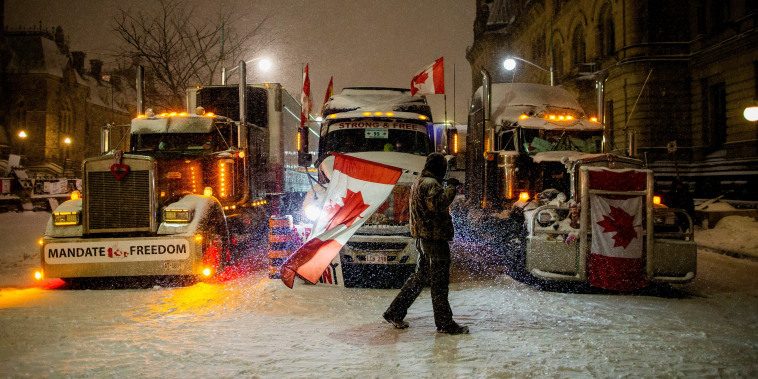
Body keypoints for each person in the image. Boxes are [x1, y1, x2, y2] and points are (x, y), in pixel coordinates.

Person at [382, 153, 469, 335]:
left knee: (420, 278)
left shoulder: (419, 181)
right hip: (434, 240)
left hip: (423, 239)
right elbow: (437, 204)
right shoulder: (430, 184)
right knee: (439, 283)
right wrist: (452, 187)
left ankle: (395, 311)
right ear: (439, 168)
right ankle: (445, 323)